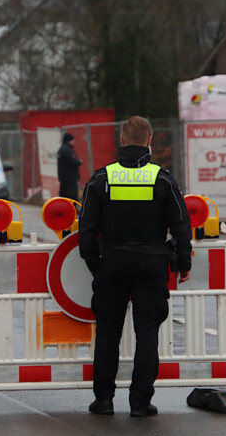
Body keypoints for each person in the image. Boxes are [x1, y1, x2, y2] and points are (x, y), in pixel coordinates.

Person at [78, 116, 192, 417]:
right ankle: (140, 402)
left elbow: (86, 227)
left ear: (122, 140)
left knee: (107, 334)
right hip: (152, 264)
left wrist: (94, 263)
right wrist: (183, 261)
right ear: (150, 141)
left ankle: (103, 400)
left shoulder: (102, 178)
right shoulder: (163, 178)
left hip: (112, 262)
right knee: (147, 333)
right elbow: (181, 224)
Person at [57, 132, 83, 200]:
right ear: (69, 140)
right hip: (70, 178)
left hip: (63, 178)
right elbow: (72, 161)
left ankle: (64, 210)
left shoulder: (61, 149)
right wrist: (79, 162)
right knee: (72, 197)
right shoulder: (68, 150)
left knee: (63, 197)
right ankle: (72, 210)